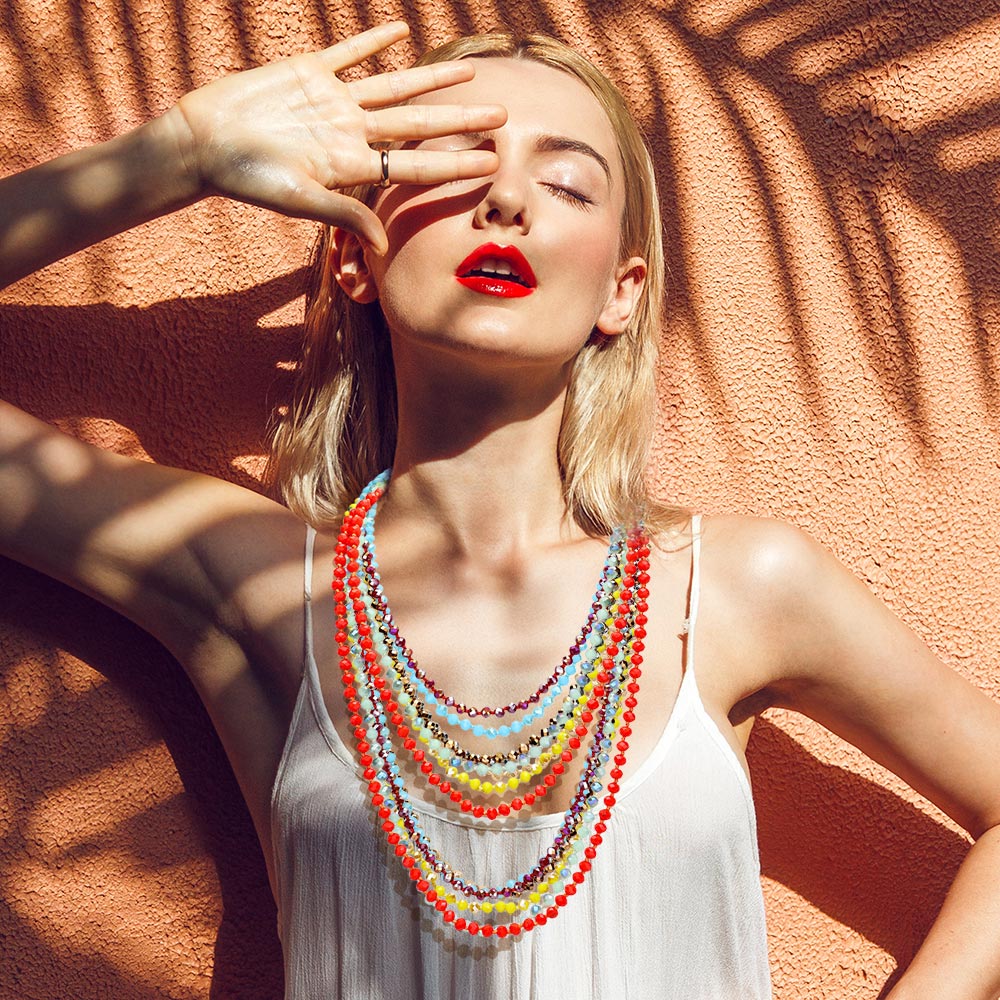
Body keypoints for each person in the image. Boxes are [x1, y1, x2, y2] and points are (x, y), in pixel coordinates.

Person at [2, 19, 1000, 1000]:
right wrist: (179, 154)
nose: (507, 199)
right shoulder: (258, 584)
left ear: (620, 292)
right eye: (453, 165)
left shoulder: (738, 590)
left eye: (566, 182)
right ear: (355, 256)